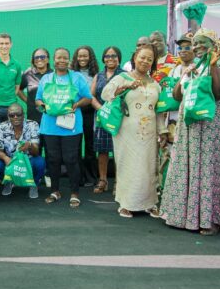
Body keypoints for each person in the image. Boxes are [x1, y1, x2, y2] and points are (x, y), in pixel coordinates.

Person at [160, 29, 220, 235]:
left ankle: (210, 219)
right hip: (189, 124)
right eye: (195, 43)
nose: (198, 47)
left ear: (214, 44)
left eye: (203, 42)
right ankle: (184, 215)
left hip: (210, 125)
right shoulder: (194, 66)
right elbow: (177, 96)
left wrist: (213, 66)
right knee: (187, 165)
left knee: (208, 167)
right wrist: (184, 74)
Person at [102, 45, 168, 218]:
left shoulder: (155, 85)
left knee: (149, 166)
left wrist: (162, 131)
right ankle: (126, 203)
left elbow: (159, 111)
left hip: (149, 132)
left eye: (149, 59)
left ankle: (150, 203)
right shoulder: (122, 78)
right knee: (128, 166)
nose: (145, 61)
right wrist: (126, 87)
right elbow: (105, 94)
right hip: (126, 132)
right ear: (135, 58)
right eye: (142, 57)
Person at [36, 48, 92, 208]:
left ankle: (74, 193)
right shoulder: (46, 78)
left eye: (65, 58)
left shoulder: (77, 77)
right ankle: (55, 191)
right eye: (59, 58)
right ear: (53, 60)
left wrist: (77, 104)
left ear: (69, 60)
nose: (62, 60)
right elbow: (38, 99)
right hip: (49, 126)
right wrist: (42, 106)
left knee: (71, 159)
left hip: (71, 127)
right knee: (53, 159)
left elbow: (88, 98)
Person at [90, 46, 125, 193]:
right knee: (102, 150)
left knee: (119, 150)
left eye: (114, 56)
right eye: (107, 56)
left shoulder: (125, 75)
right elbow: (91, 96)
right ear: (103, 59)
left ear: (119, 59)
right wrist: (101, 109)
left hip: (118, 118)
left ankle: (119, 182)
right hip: (102, 117)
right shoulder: (98, 76)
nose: (110, 58)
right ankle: (103, 180)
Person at [0, 103, 45, 199]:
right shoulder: (2, 126)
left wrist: (30, 146)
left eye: (18, 114)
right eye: (12, 115)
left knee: (40, 162)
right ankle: (8, 182)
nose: (15, 117)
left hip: (28, 160)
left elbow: (36, 152)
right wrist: (5, 158)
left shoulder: (33, 124)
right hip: (11, 160)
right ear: (8, 116)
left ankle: (33, 184)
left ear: (23, 114)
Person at [71, 45, 99, 186]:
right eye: (80, 56)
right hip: (75, 112)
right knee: (75, 146)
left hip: (90, 112)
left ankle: (91, 178)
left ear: (90, 57)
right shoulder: (71, 73)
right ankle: (77, 178)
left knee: (90, 145)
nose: (82, 58)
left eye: (85, 56)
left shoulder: (96, 74)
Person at [18, 48, 52, 125]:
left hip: (50, 115)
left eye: (42, 57)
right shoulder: (28, 73)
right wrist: (28, 101)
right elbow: (19, 90)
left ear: (48, 59)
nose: (39, 59)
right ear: (33, 60)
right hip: (33, 116)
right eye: (36, 57)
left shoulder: (53, 74)